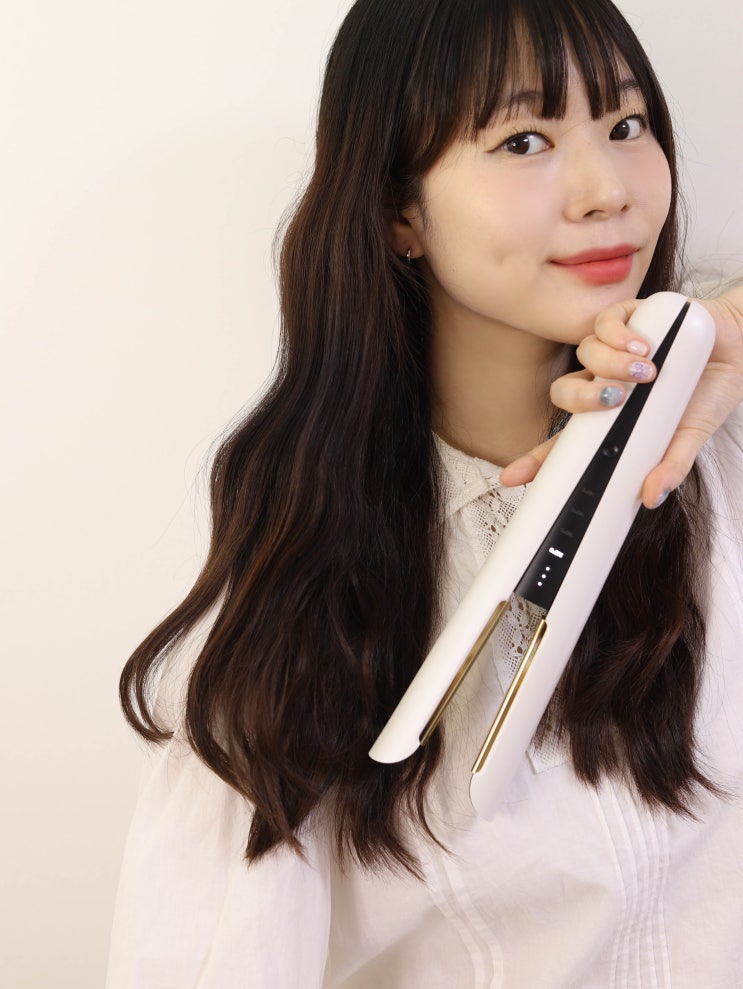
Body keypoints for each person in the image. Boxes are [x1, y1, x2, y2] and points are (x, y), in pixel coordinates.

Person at [106, 0, 743, 985]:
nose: (606, 189)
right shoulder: (297, 619)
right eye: (522, 140)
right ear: (400, 211)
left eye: (625, 124)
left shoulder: (712, 448)